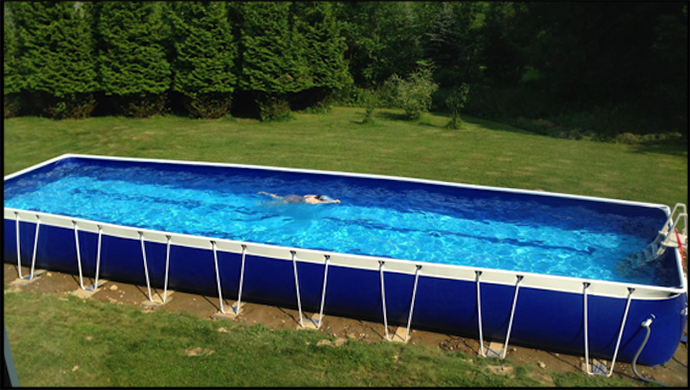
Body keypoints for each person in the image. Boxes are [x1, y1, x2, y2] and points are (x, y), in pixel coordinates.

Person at [258, 191, 340, 204]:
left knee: (278, 197)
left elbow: (305, 196)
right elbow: (323, 202)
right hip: (294, 200)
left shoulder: (312, 196)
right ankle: (263, 203)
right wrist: (334, 201)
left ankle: (265, 193)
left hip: (294, 196)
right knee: (277, 203)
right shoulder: (315, 201)